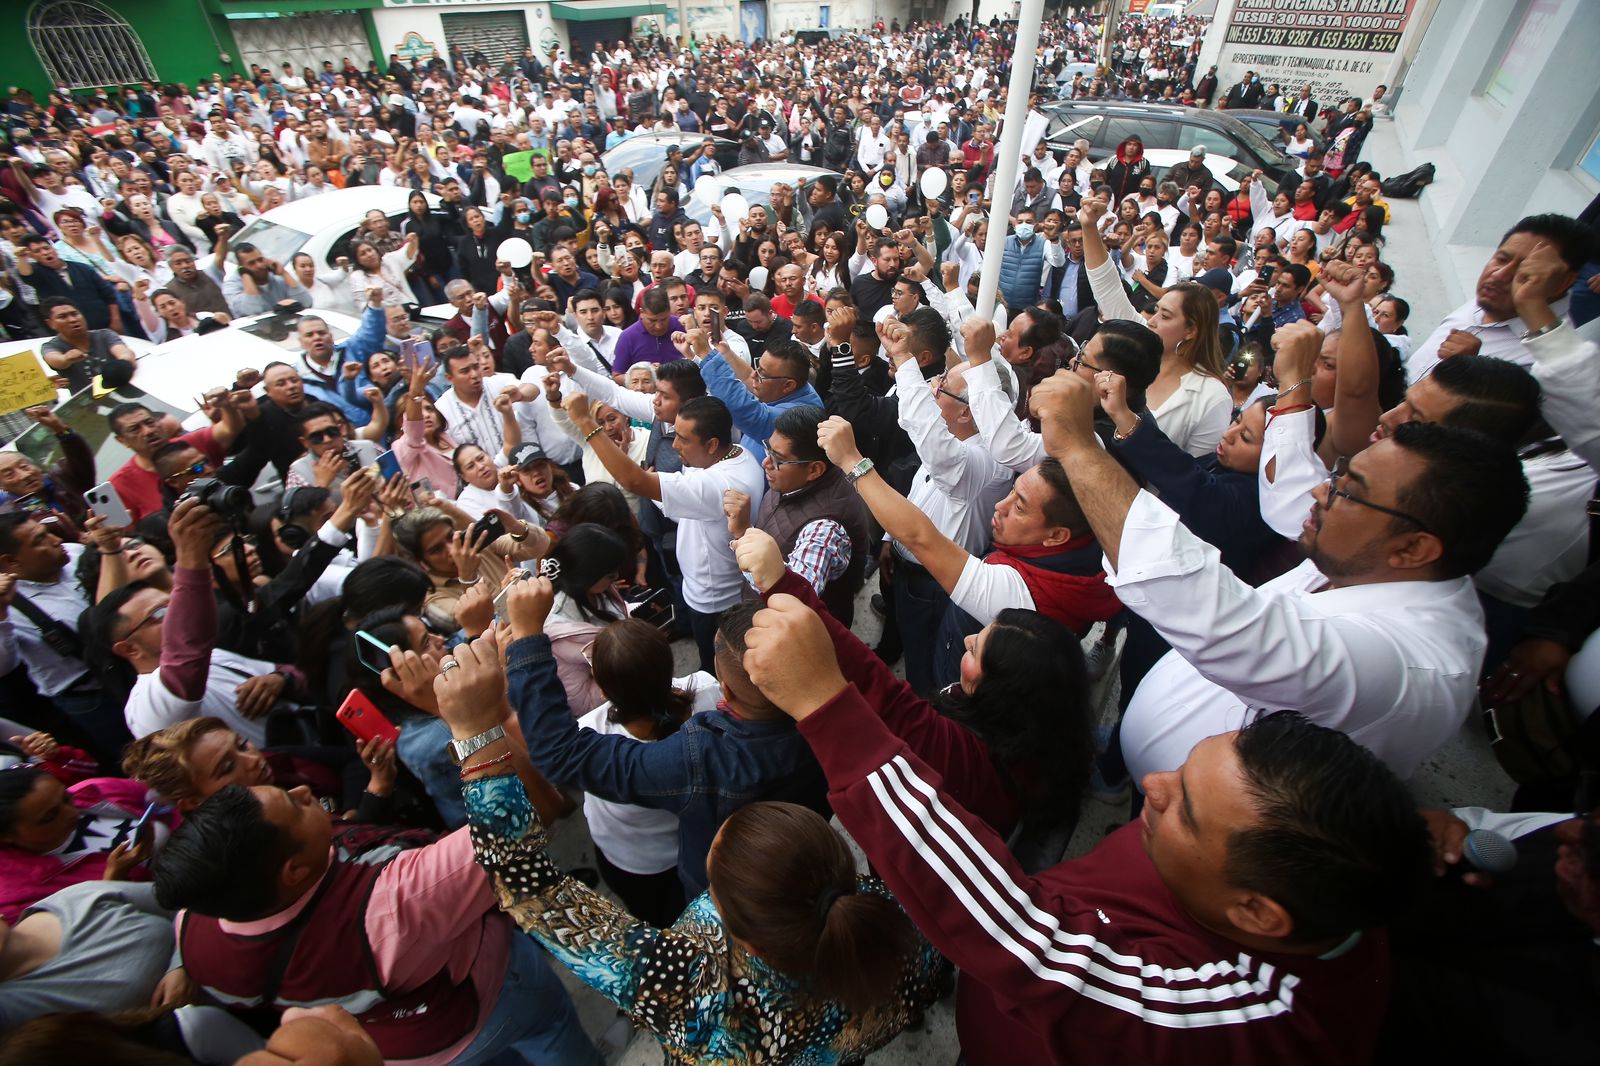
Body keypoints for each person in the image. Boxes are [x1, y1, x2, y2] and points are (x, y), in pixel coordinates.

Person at [746, 585, 1434, 1066]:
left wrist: (825, 709)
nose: (1151, 788)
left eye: (1185, 807)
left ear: (1257, 911)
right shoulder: (1323, 883)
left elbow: (1027, 939)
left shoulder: (1249, 1018)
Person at [435, 619, 944, 1062]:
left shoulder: (686, 986)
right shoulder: (899, 933)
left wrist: (478, 736)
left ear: (733, 929)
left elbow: (533, 893)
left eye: (711, 879)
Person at [1029, 351, 1530, 783]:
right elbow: (1288, 492)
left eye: (1345, 489)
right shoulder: (1371, 553)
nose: (1319, 490)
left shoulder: (1408, 663)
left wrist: (1078, 448)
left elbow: (1226, 625)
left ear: (1416, 548)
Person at [152, 756, 602, 1065]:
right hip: (495, 995)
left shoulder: (194, 927)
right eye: (294, 803)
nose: (305, 789)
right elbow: (529, 812)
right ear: (293, 871)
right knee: (551, 1033)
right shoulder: (398, 900)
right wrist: (477, 721)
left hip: (404, 1045)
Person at [560, 392, 763, 672]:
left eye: (684, 439)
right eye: (674, 434)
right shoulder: (737, 455)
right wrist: (659, 490)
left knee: (716, 668)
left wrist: (584, 421)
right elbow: (687, 502)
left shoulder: (718, 484)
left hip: (714, 600)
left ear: (713, 443)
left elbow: (633, 480)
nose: (675, 445)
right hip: (705, 589)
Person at [574, 618, 717, 928]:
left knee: (663, 926)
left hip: (635, 865)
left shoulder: (588, 735)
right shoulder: (707, 692)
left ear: (603, 687)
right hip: (699, 851)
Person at [0, 514, 131, 761]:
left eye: (48, 531)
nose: (56, 539)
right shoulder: (8, 605)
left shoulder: (74, 553)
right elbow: (3, 666)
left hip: (134, 667)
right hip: (93, 698)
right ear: (10, 561)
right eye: (40, 539)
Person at [1405, 214, 1591, 383]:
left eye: (1525, 271)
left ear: (1563, 282)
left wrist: (1470, 373)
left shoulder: (1551, 363)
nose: (1499, 275)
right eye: (1501, 259)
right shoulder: (1487, 303)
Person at [0, 764, 167, 925]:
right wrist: (114, 881)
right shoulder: (19, 897)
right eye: (50, 817)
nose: (72, 812)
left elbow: (168, 799)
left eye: (66, 798)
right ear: (6, 836)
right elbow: (86, 938)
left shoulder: (95, 790)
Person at [37, 297, 137, 395]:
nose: (72, 320)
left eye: (75, 314)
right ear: (50, 324)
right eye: (62, 317)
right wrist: (66, 358)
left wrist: (125, 362)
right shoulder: (51, 346)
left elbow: (123, 352)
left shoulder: (105, 335)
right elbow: (54, 359)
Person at [220, 242, 311, 317]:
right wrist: (245, 275)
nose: (259, 265)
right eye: (251, 263)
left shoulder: (278, 279)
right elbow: (253, 310)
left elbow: (306, 303)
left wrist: (284, 273)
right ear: (241, 266)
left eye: (260, 260)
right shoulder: (231, 287)